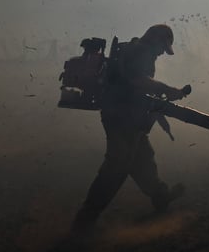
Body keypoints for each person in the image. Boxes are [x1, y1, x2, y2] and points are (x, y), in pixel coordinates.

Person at [71, 24, 188, 232]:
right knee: (117, 166)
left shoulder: (133, 49)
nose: (162, 53)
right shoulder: (140, 52)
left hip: (129, 118)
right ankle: (85, 219)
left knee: (142, 158)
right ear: (155, 41)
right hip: (121, 117)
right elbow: (138, 81)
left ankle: (161, 196)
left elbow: (139, 87)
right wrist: (169, 90)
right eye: (163, 47)